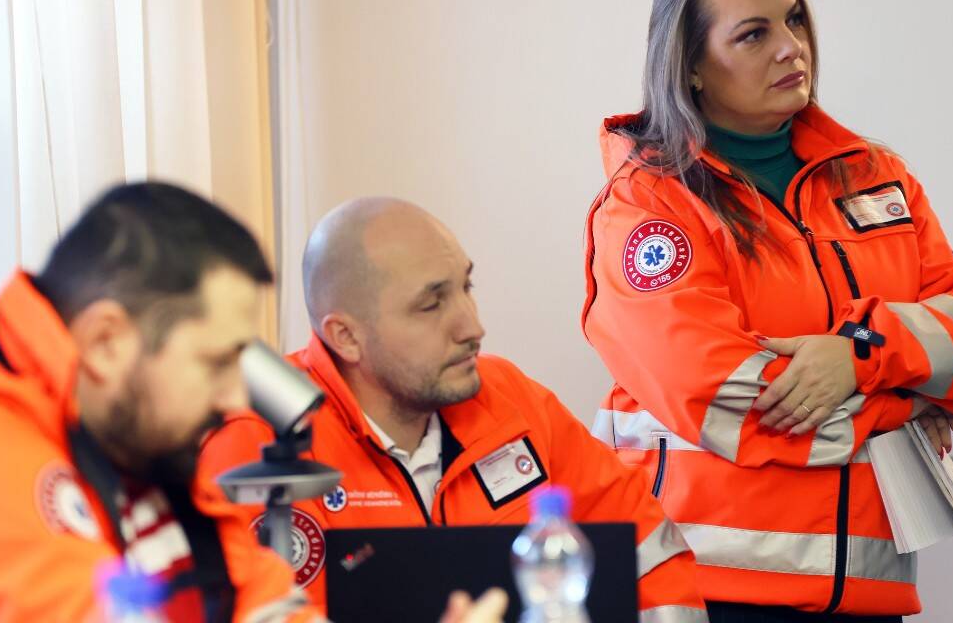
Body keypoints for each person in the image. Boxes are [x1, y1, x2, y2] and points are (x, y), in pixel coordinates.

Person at [580, 0, 953, 622]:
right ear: (689, 66)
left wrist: (857, 354)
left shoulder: (875, 175)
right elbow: (730, 400)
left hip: (867, 590)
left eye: (795, 20)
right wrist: (910, 403)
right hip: (710, 588)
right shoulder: (647, 206)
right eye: (754, 33)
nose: (790, 47)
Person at [0, 181, 508, 623]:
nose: (236, 397)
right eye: (215, 362)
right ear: (106, 343)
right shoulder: (9, 456)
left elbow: (261, 598)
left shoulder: (133, 439)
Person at [198, 198, 708, 622]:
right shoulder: (256, 447)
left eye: (466, 287)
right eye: (431, 304)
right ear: (346, 336)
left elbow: (649, 554)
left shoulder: (510, 397)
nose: (472, 327)